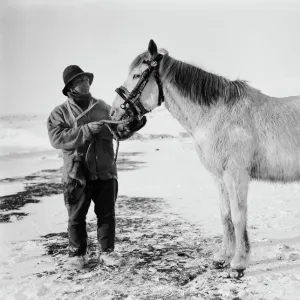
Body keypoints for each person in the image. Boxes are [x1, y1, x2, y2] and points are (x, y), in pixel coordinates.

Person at [47, 65, 146, 269]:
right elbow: (56, 138)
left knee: (107, 214)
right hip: (77, 174)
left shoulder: (103, 107)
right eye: (78, 81)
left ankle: (107, 252)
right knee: (76, 217)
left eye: (85, 79)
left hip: (105, 171)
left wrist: (131, 126)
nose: (84, 83)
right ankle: (77, 255)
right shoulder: (59, 113)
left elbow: (118, 132)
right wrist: (85, 130)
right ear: (70, 88)